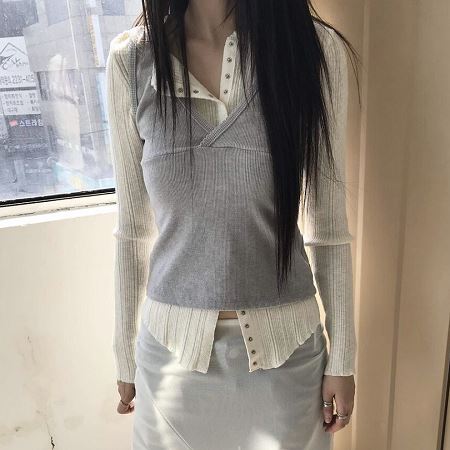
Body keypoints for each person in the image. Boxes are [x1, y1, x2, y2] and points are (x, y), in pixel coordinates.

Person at [106, 1, 361, 449]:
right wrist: (125, 357)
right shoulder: (132, 61)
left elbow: (329, 228)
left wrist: (343, 358)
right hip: (170, 360)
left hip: (287, 360)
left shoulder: (314, 51)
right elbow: (131, 231)